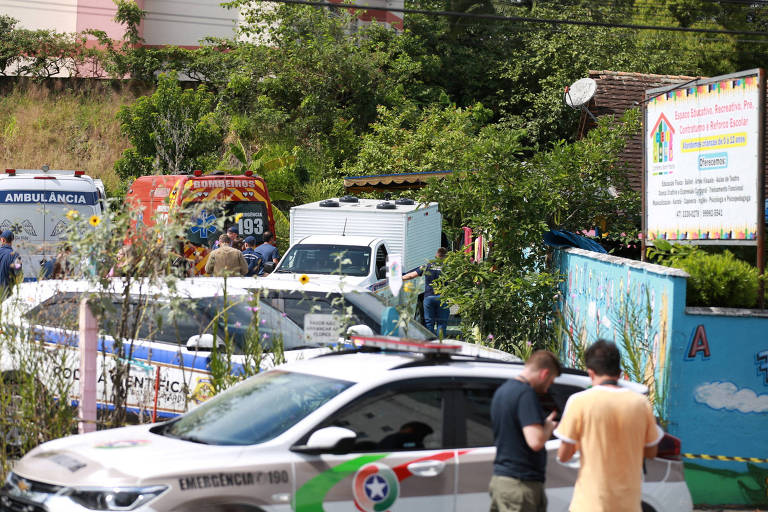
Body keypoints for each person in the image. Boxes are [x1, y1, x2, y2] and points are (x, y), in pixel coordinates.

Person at [554, 340, 663, 512]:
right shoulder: (641, 403)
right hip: (629, 504)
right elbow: (651, 452)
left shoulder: (579, 402)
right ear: (619, 373)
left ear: (590, 373)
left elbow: (564, 455)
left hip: (589, 504)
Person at [489, 350, 561, 512]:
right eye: (551, 380)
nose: (548, 387)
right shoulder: (525, 394)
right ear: (544, 374)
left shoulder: (502, 391)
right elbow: (535, 441)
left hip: (502, 480)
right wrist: (548, 427)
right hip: (520, 485)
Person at [402, 247, 449, 335]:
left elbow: (411, 275)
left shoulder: (427, 266)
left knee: (429, 323)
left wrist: (399, 278)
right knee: (441, 323)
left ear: (436, 256)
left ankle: (429, 343)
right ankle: (440, 344)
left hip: (429, 297)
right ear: (445, 257)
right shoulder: (448, 268)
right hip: (442, 298)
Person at [0, 230, 22, 297]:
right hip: (8, 293)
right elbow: (18, 273)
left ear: (2, 240)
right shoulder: (16, 255)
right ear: (12, 240)